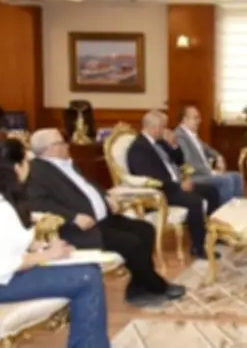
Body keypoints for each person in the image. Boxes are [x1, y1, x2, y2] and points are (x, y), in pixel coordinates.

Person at [0, 139, 111, 348]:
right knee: (88, 278)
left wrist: (39, 247)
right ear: (17, 168)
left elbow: (2, 241)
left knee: (89, 270)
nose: (30, 168)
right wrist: (49, 255)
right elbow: (5, 263)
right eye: (27, 162)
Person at [25, 128, 186, 307]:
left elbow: (88, 185)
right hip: (81, 229)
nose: (67, 145)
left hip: (104, 220)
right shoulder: (36, 171)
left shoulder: (67, 163)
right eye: (62, 142)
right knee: (131, 242)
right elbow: (37, 203)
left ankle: (139, 288)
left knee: (145, 229)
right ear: (50, 148)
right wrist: (73, 217)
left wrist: (106, 196)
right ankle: (154, 286)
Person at [126, 110, 221, 259]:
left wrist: (174, 144)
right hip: (162, 191)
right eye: (163, 127)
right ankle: (197, 247)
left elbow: (179, 160)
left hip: (176, 184)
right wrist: (178, 186)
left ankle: (213, 235)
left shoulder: (159, 142)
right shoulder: (138, 148)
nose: (165, 130)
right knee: (195, 201)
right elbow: (150, 178)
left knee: (212, 192)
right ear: (153, 128)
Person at [175, 105, 244, 203]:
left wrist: (219, 157)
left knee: (237, 176)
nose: (199, 121)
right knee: (227, 180)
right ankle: (223, 211)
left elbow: (209, 150)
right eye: (195, 118)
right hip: (195, 176)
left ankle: (236, 210)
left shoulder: (192, 135)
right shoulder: (180, 136)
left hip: (205, 173)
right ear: (185, 119)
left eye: (199, 118)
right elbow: (188, 163)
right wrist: (211, 172)